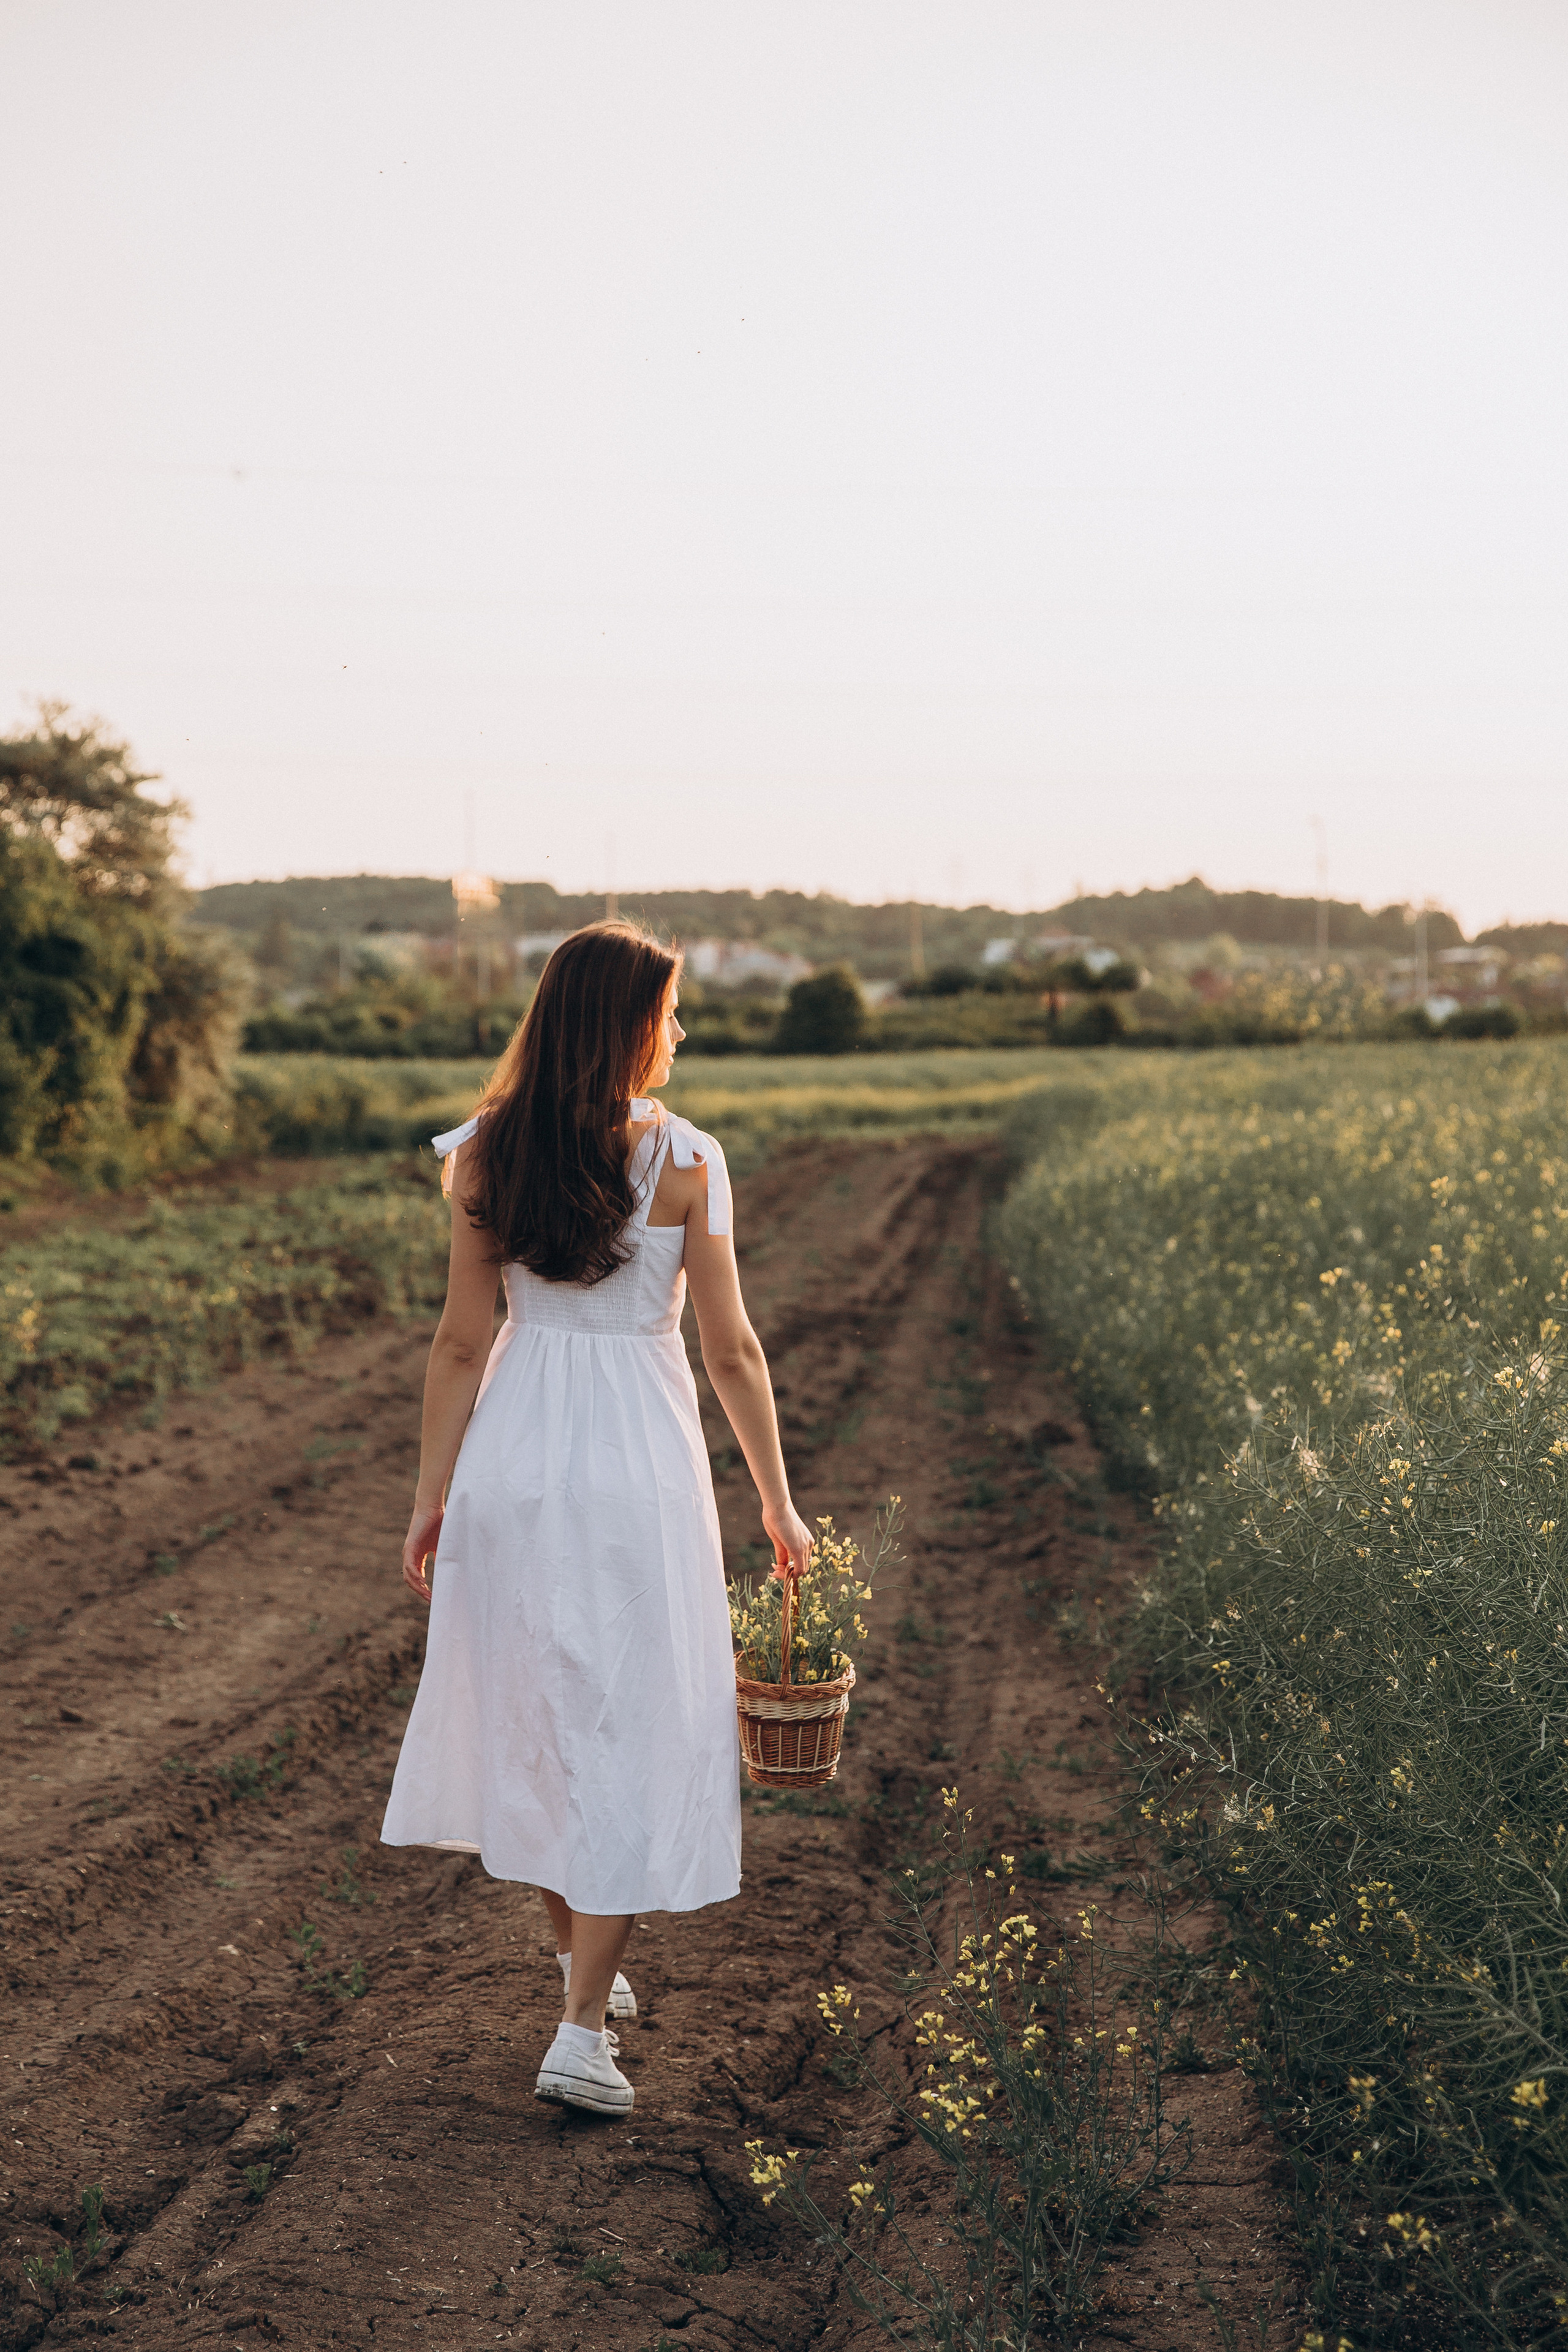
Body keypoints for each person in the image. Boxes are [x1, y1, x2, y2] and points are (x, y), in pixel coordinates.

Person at [381, 922, 812, 2116]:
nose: (680, 1032)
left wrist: (432, 1497)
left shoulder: (482, 1154)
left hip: (515, 1455)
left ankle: (582, 1961)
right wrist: (777, 1499)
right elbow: (727, 1347)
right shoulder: (686, 1160)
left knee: (537, 1703)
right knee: (630, 1715)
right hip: (636, 1465)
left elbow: (462, 1340)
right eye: (668, 1012)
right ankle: (579, 2032)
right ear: (627, 1026)